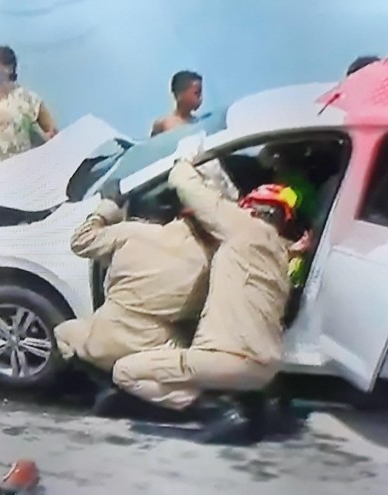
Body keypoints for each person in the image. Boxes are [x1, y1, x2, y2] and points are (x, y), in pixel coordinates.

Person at [112, 154, 296, 445]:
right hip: (267, 370)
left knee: (124, 371)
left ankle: (215, 411)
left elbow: (188, 188)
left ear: (250, 209)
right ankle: (262, 408)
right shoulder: (283, 257)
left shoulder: (242, 227)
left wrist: (185, 161)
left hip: (223, 362)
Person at [55, 178, 217, 408]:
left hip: (103, 339)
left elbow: (80, 241)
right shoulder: (209, 260)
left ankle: (104, 384)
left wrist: (106, 208)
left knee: (64, 332)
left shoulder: (130, 232)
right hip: (155, 345)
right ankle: (185, 403)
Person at [150, 71, 203, 137]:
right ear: (180, 95)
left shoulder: (198, 123)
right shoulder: (163, 123)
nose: (200, 97)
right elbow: (152, 145)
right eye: (196, 93)